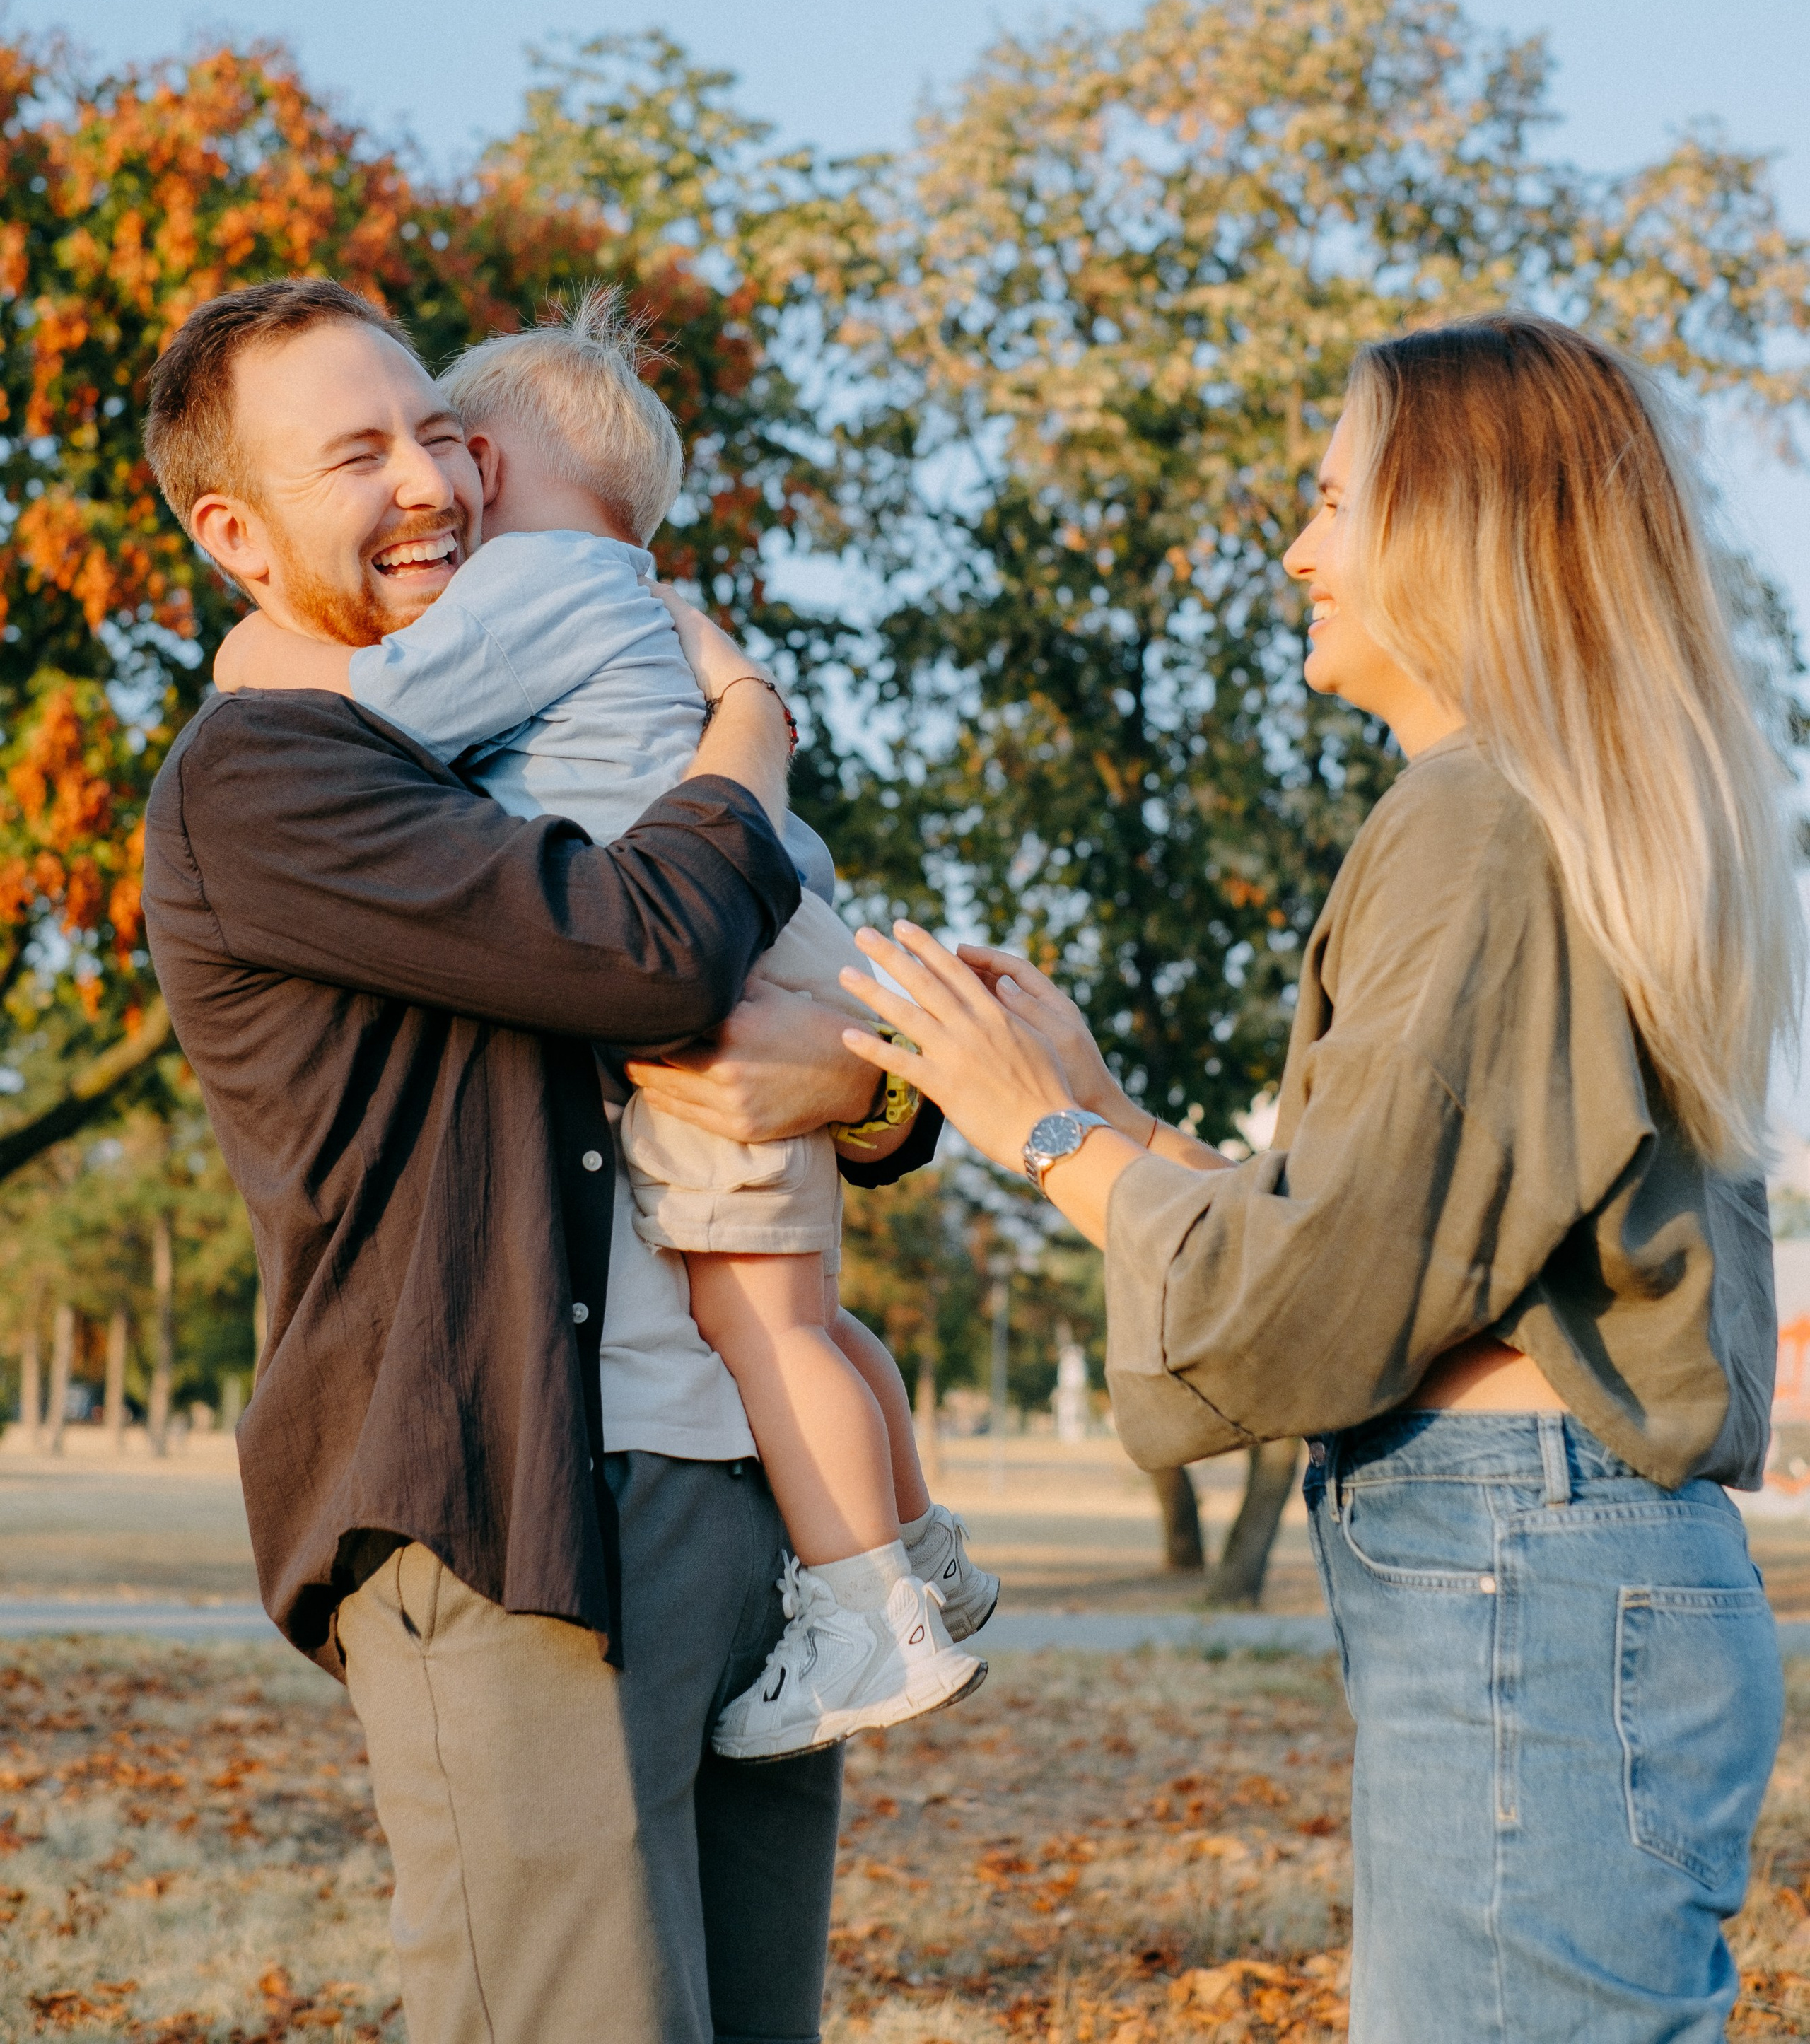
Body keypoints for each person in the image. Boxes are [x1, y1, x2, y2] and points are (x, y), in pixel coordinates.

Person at [829, 314, 1799, 2044]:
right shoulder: (1558, 809)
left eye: (1336, 501)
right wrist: (1104, 1112)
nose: (1295, 548)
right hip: (1560, 1564)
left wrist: (1039, 1134)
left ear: (1464, 532)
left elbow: (1316, 1289)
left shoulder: (1481, 822)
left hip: (1524, 1563)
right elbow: (1399, 1223)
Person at [139, 276, 945, 2044]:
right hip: (517, 1512)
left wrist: (864, 1092)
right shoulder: (267, 778)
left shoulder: (544, 711)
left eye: (440, 433)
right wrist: (752, 723)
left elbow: (837, 1019)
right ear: (235, 534)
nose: (430, 481)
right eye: (357, 454)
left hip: (739, 1490)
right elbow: (646, 954)